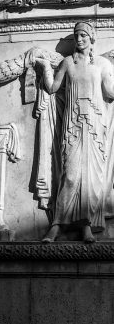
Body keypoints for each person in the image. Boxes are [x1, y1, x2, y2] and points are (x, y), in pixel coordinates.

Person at [36, 22, 114, 243]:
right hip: (73, 125)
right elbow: (53, 88)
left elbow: (110, 91)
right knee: (70, 175)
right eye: (76, 36)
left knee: (91, 180)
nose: (79, 39)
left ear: (91, 38)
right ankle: (57, 224)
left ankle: (86, 225)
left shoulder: (102, 63)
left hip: (95, 126)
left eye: (83, 35)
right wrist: (45, 69)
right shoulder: (67, 62)